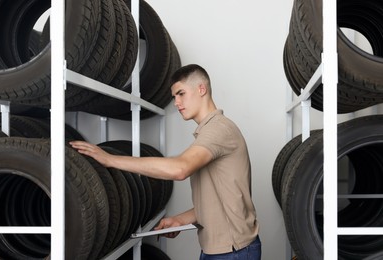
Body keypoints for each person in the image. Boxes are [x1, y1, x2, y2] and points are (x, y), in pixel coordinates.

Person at [70, 64, 261, 259]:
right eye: (174, 97)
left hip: (233, 252)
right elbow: (219, 201)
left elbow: (180, 169)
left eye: (181, 94)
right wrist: (180, 220)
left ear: (201, 89)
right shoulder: (209, 131)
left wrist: (110, 160)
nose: (177, 103)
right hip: (220, 250)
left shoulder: (218, 130)